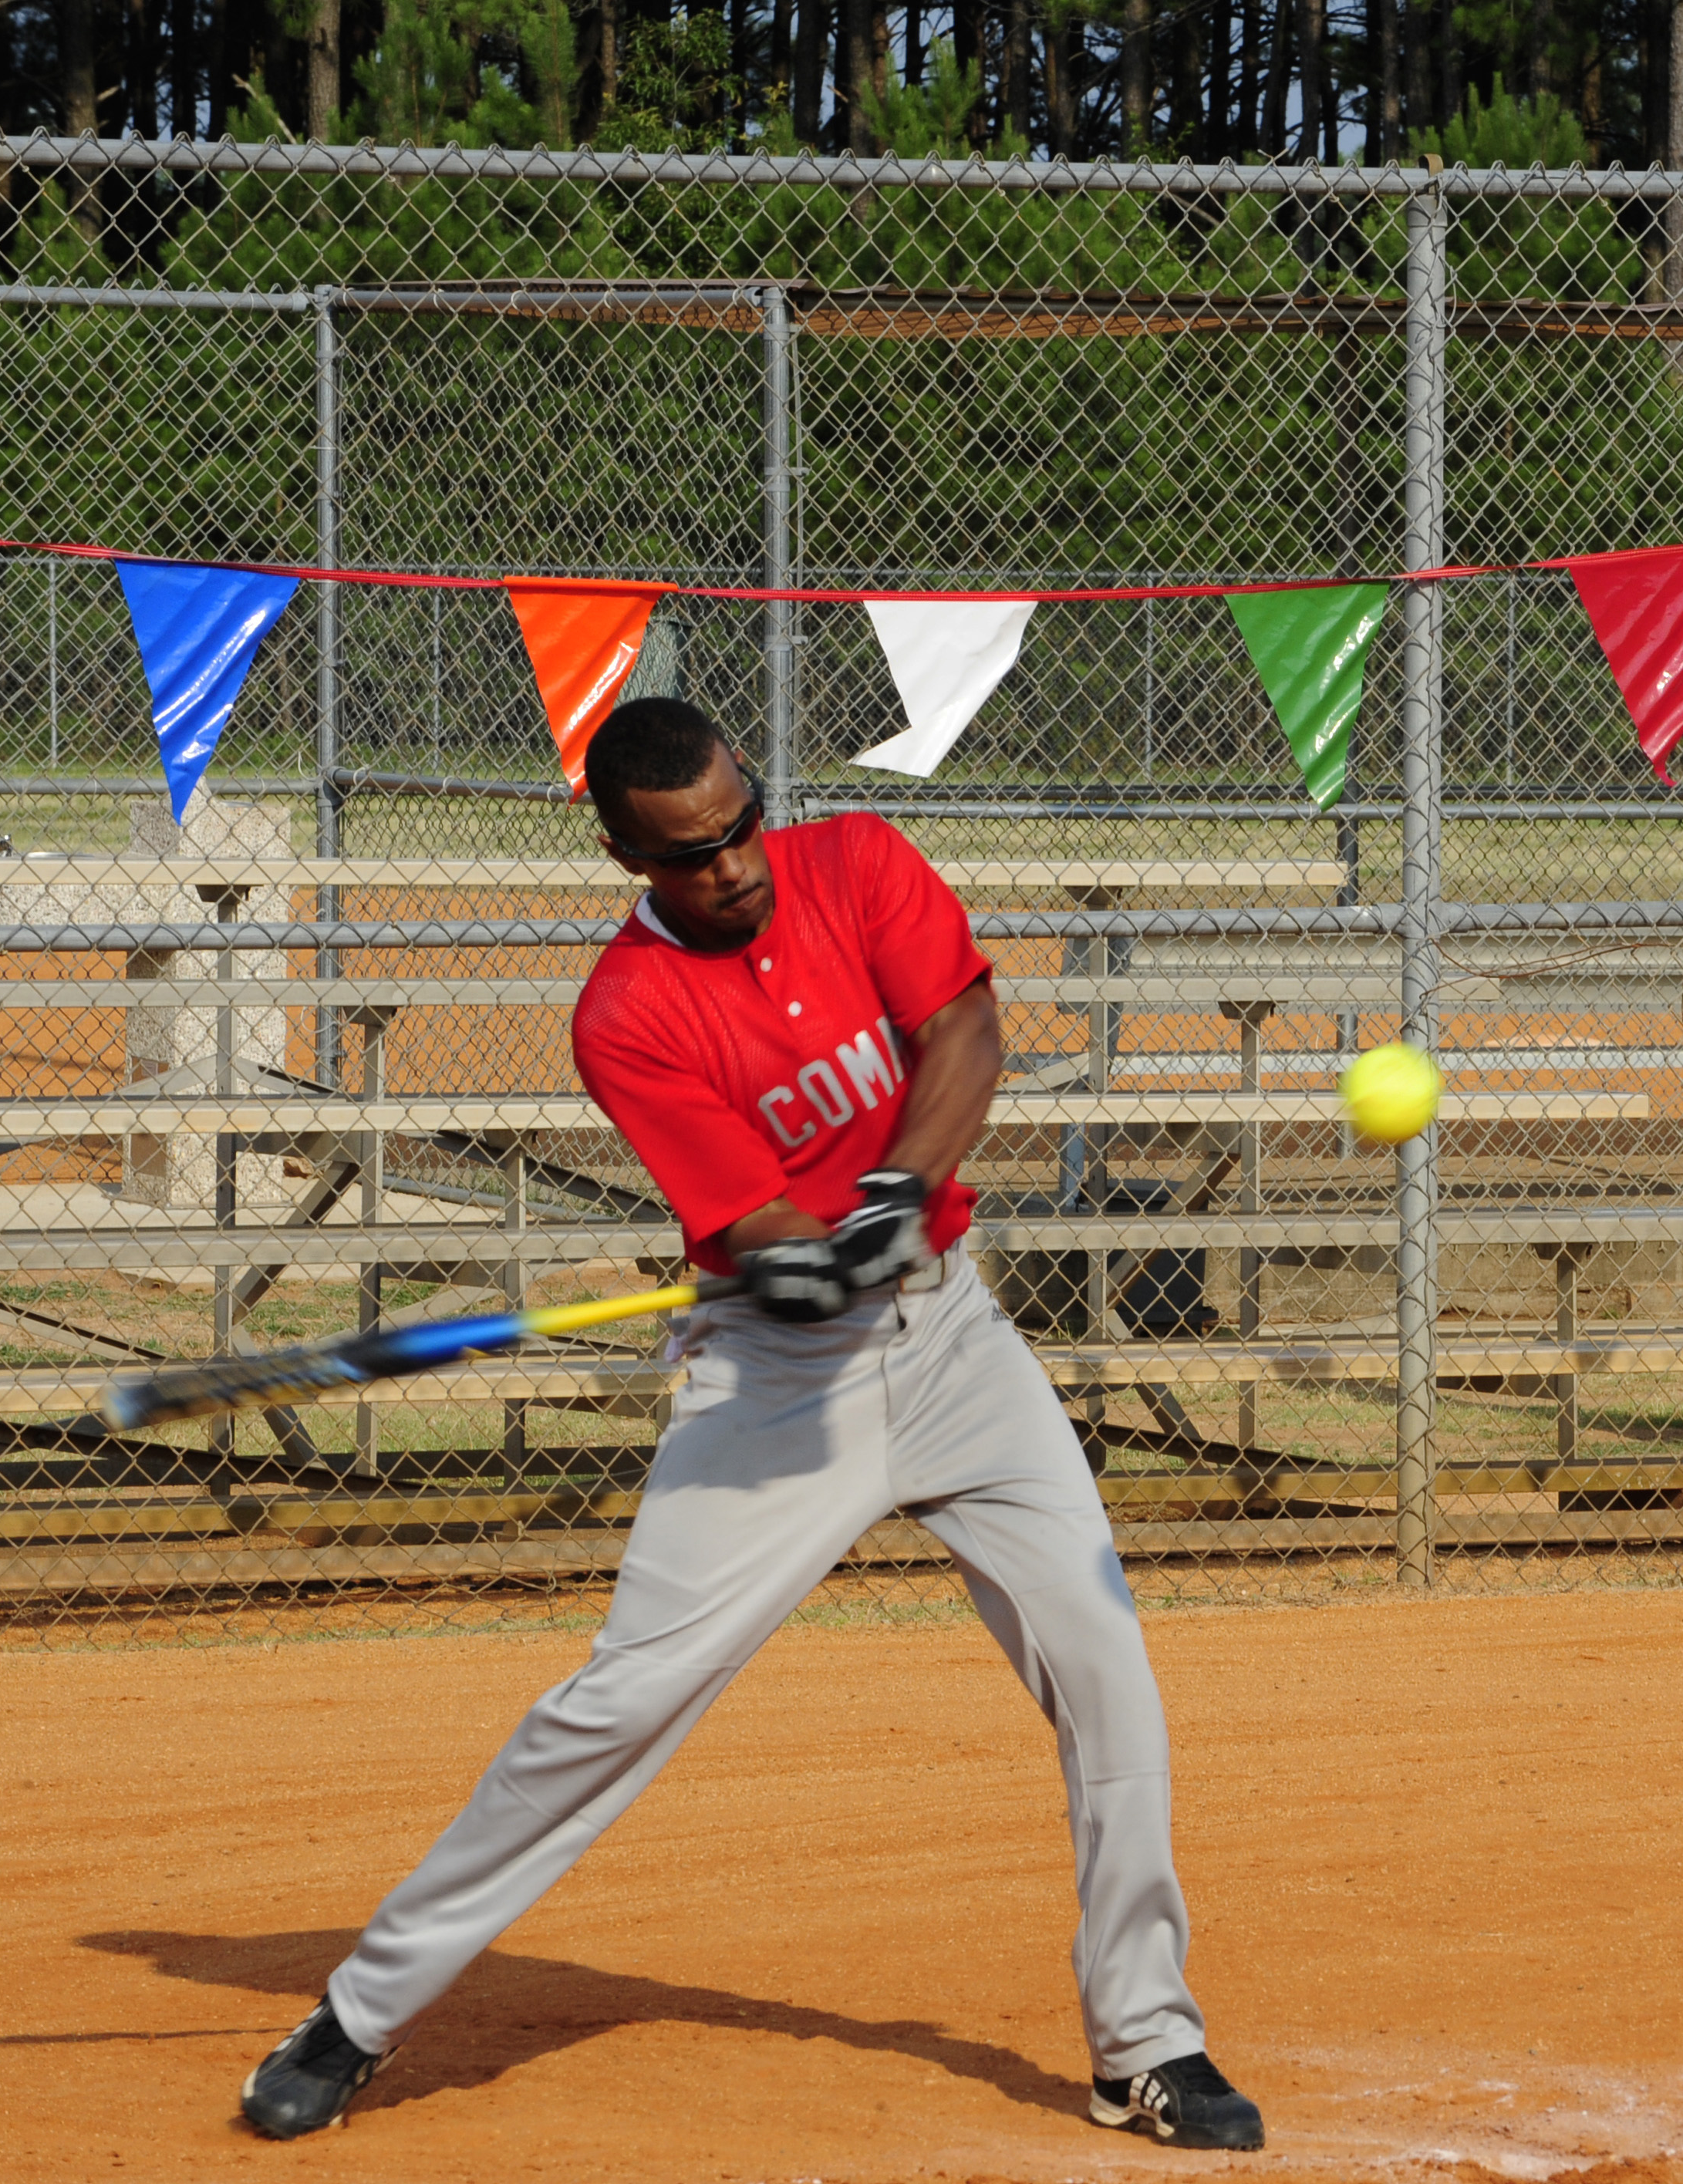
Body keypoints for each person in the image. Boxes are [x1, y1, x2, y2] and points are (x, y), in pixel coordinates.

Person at [238, 696, 1263, 2153]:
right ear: (622, 855)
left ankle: (1145, 2045)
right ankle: (360, 2015)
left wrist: (899, 1196)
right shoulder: (628, 1017)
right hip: (782, 1385)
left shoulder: (856, 862)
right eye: (688, 855)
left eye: (738, 827)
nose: (731, 868)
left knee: (1105, 1665)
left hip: (957, 1343)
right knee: (623, 1702)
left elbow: (963, 1030)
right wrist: (804, 1252)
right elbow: (765, 1234)